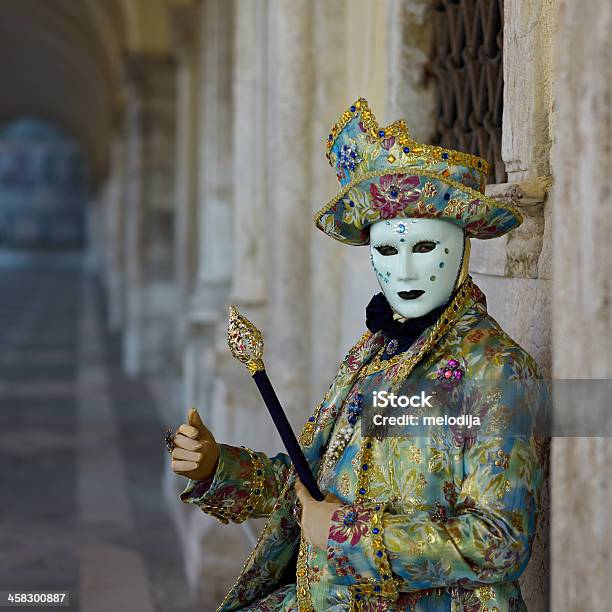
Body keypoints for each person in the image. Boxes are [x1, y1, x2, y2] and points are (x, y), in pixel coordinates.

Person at [169, 98, 548, 611]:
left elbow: (500, 540)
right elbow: (313, 490)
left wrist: (348, 535)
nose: (406, 273)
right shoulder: (373, 355)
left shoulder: (498, 370)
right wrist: (218, 468)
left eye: (425, 249)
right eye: (389, 252)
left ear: (461, 248)